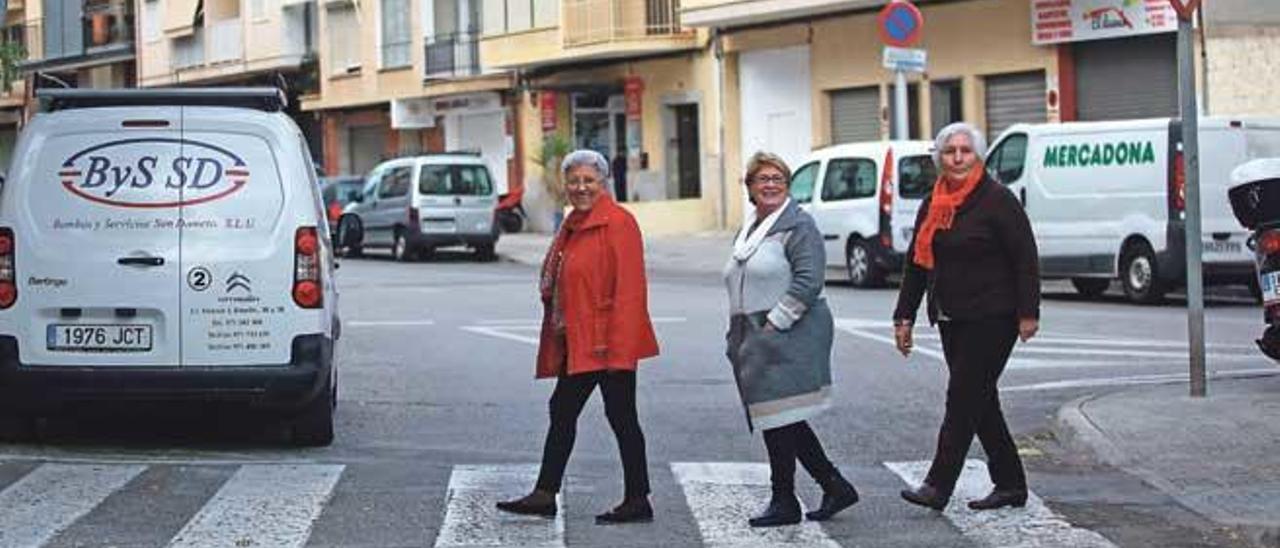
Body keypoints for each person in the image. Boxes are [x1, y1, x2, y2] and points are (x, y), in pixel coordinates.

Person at [496, 149, 660, 524]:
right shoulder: (573, 223)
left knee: (618, 417)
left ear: (603, 183)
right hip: (581, 339)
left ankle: (633, 498)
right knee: (569, 410)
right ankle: (549, 493)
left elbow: (631, 290)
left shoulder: (618, 223)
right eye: (574, 181)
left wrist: (621, 351)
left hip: (607, 344)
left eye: (589, 180)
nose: (581, 187)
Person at [893, 122, 1041, 512]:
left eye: (966, 151)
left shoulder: (997, 200)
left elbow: (1025, 257)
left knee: (961, 399)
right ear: (939, 158)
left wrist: (1029, 313)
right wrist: (903, 316)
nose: (958, 158)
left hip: (994, 316)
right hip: (950, 317)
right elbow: (917, 265)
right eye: (950, 151)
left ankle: (937, 485)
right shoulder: (933, 202)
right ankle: (1011, 483)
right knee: (981, 401)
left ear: (978, 156)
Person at [723, 151, 859, 528]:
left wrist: (773, 326)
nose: (770, 184)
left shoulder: (798, 225)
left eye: (777, 178)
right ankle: (832, 484)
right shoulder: (750, 229)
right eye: (762, 178)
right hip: (752, 336)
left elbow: (809, 279)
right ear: (749, 187)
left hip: (788, 333)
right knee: (782, 417)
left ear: (787, 186)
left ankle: (785, 500)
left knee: (778, 416)